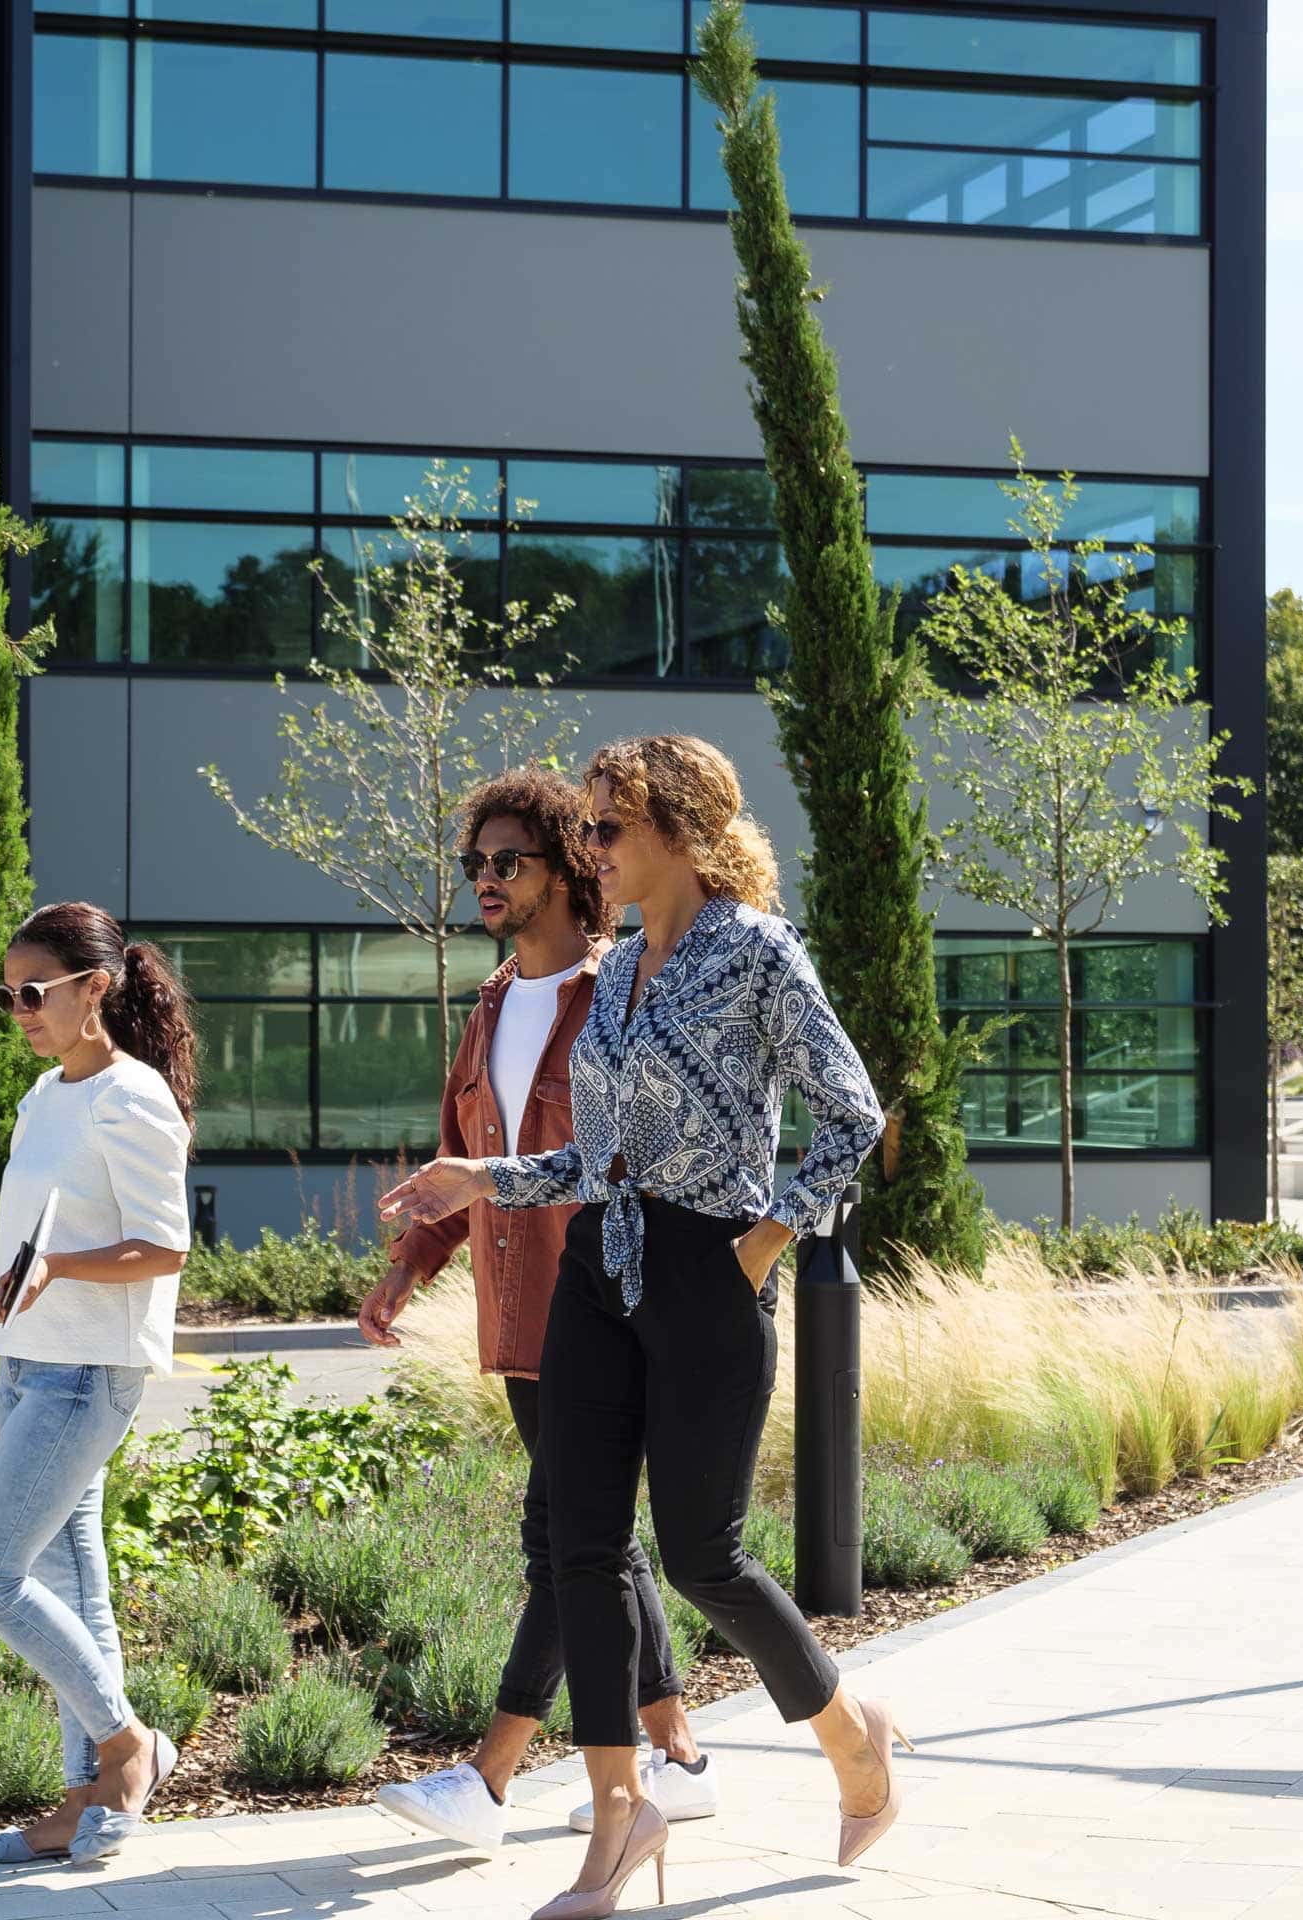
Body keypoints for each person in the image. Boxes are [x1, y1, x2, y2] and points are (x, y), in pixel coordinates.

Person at [381, 736, 910, 1920]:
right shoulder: (612, 973)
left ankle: (850, 1734)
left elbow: (850, 1112)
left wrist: (770, 1236)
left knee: (701, 1555)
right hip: (597, 1268)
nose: (592, 850)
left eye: (609, 829)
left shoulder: (756, 951)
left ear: (679, 827)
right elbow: (592, 1159)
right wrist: (486, 1177)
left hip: (704, 1272)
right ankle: (620, 1816)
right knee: (579, 1545)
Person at [360, 769, 720, 1853]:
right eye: (474, 862)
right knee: (593, 1538)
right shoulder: (485, 1010)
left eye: (506, 861)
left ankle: (490, 1775)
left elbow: (646, 1153)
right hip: (520, 1321)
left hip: (609, 1305)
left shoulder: (622, 995)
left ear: (569, 871)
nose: (483, 879)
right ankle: (682, 1760)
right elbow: (458, 1166)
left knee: (565, 1536)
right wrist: (405, 1270)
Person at [0, 901, 197, 1869]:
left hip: (90, 1373)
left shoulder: (135, 1098)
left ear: (95, 989)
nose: (18, 1009)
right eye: (8, 994)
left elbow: (165, 1247)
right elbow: (16, 1259)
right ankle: (84, 1803)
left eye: (33, 992)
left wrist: (67, 1270)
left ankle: (127, 1748)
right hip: (29, 1367)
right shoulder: (44, 1098)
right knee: (76, 1580)